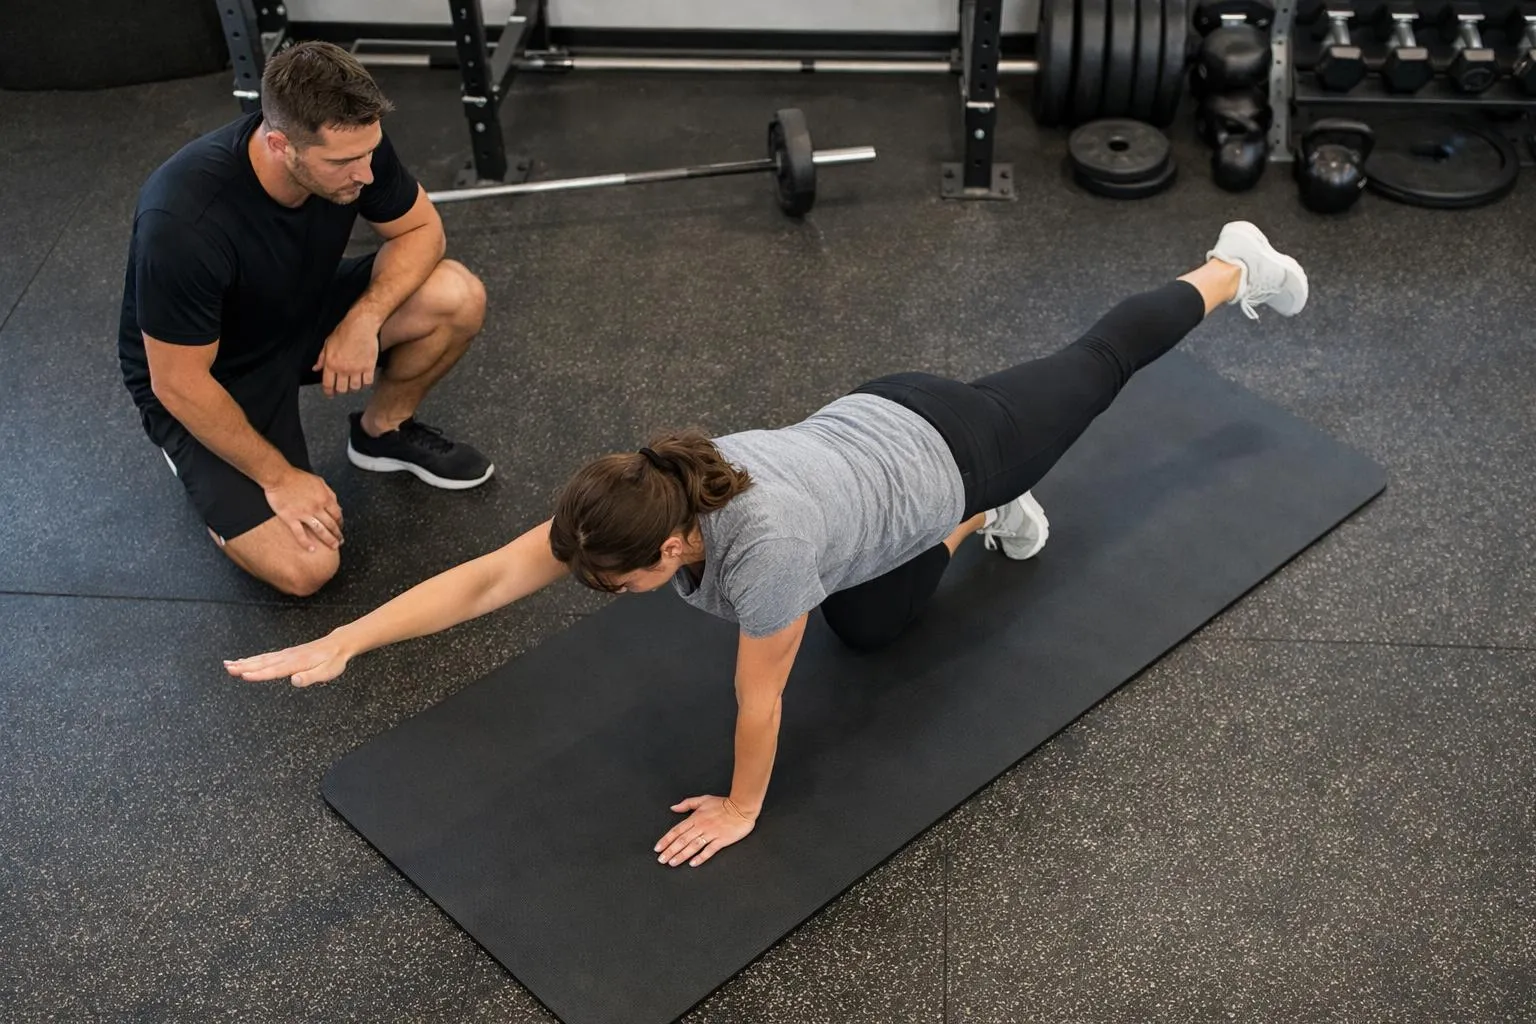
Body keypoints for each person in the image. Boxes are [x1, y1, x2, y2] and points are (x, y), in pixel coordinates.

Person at [225, 221, 1308, 868]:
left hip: (958, 444)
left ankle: (1228, 264)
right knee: (875, 627)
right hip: (871, 426)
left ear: (677, 545)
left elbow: (759, 699)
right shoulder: (629, 496)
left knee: (1103, 358)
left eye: (616, 581)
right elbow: (490, 577)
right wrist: (352, 642)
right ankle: (983, 521)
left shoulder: (764, 553)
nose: (600, 586)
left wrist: (743, 808)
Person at [117, 41, 494, 598]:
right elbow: (176, 381)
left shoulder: (354, 144)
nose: (365, 174)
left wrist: (362, 319)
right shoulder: (183, 221)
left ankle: (381, 434)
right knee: (308, 567)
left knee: (456, 293)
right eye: (343, 163)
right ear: (279, 145)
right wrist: (281, 479)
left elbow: (422, 231)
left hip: (301, 307)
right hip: (213, 374)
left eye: (370, 152)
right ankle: (195, 459)